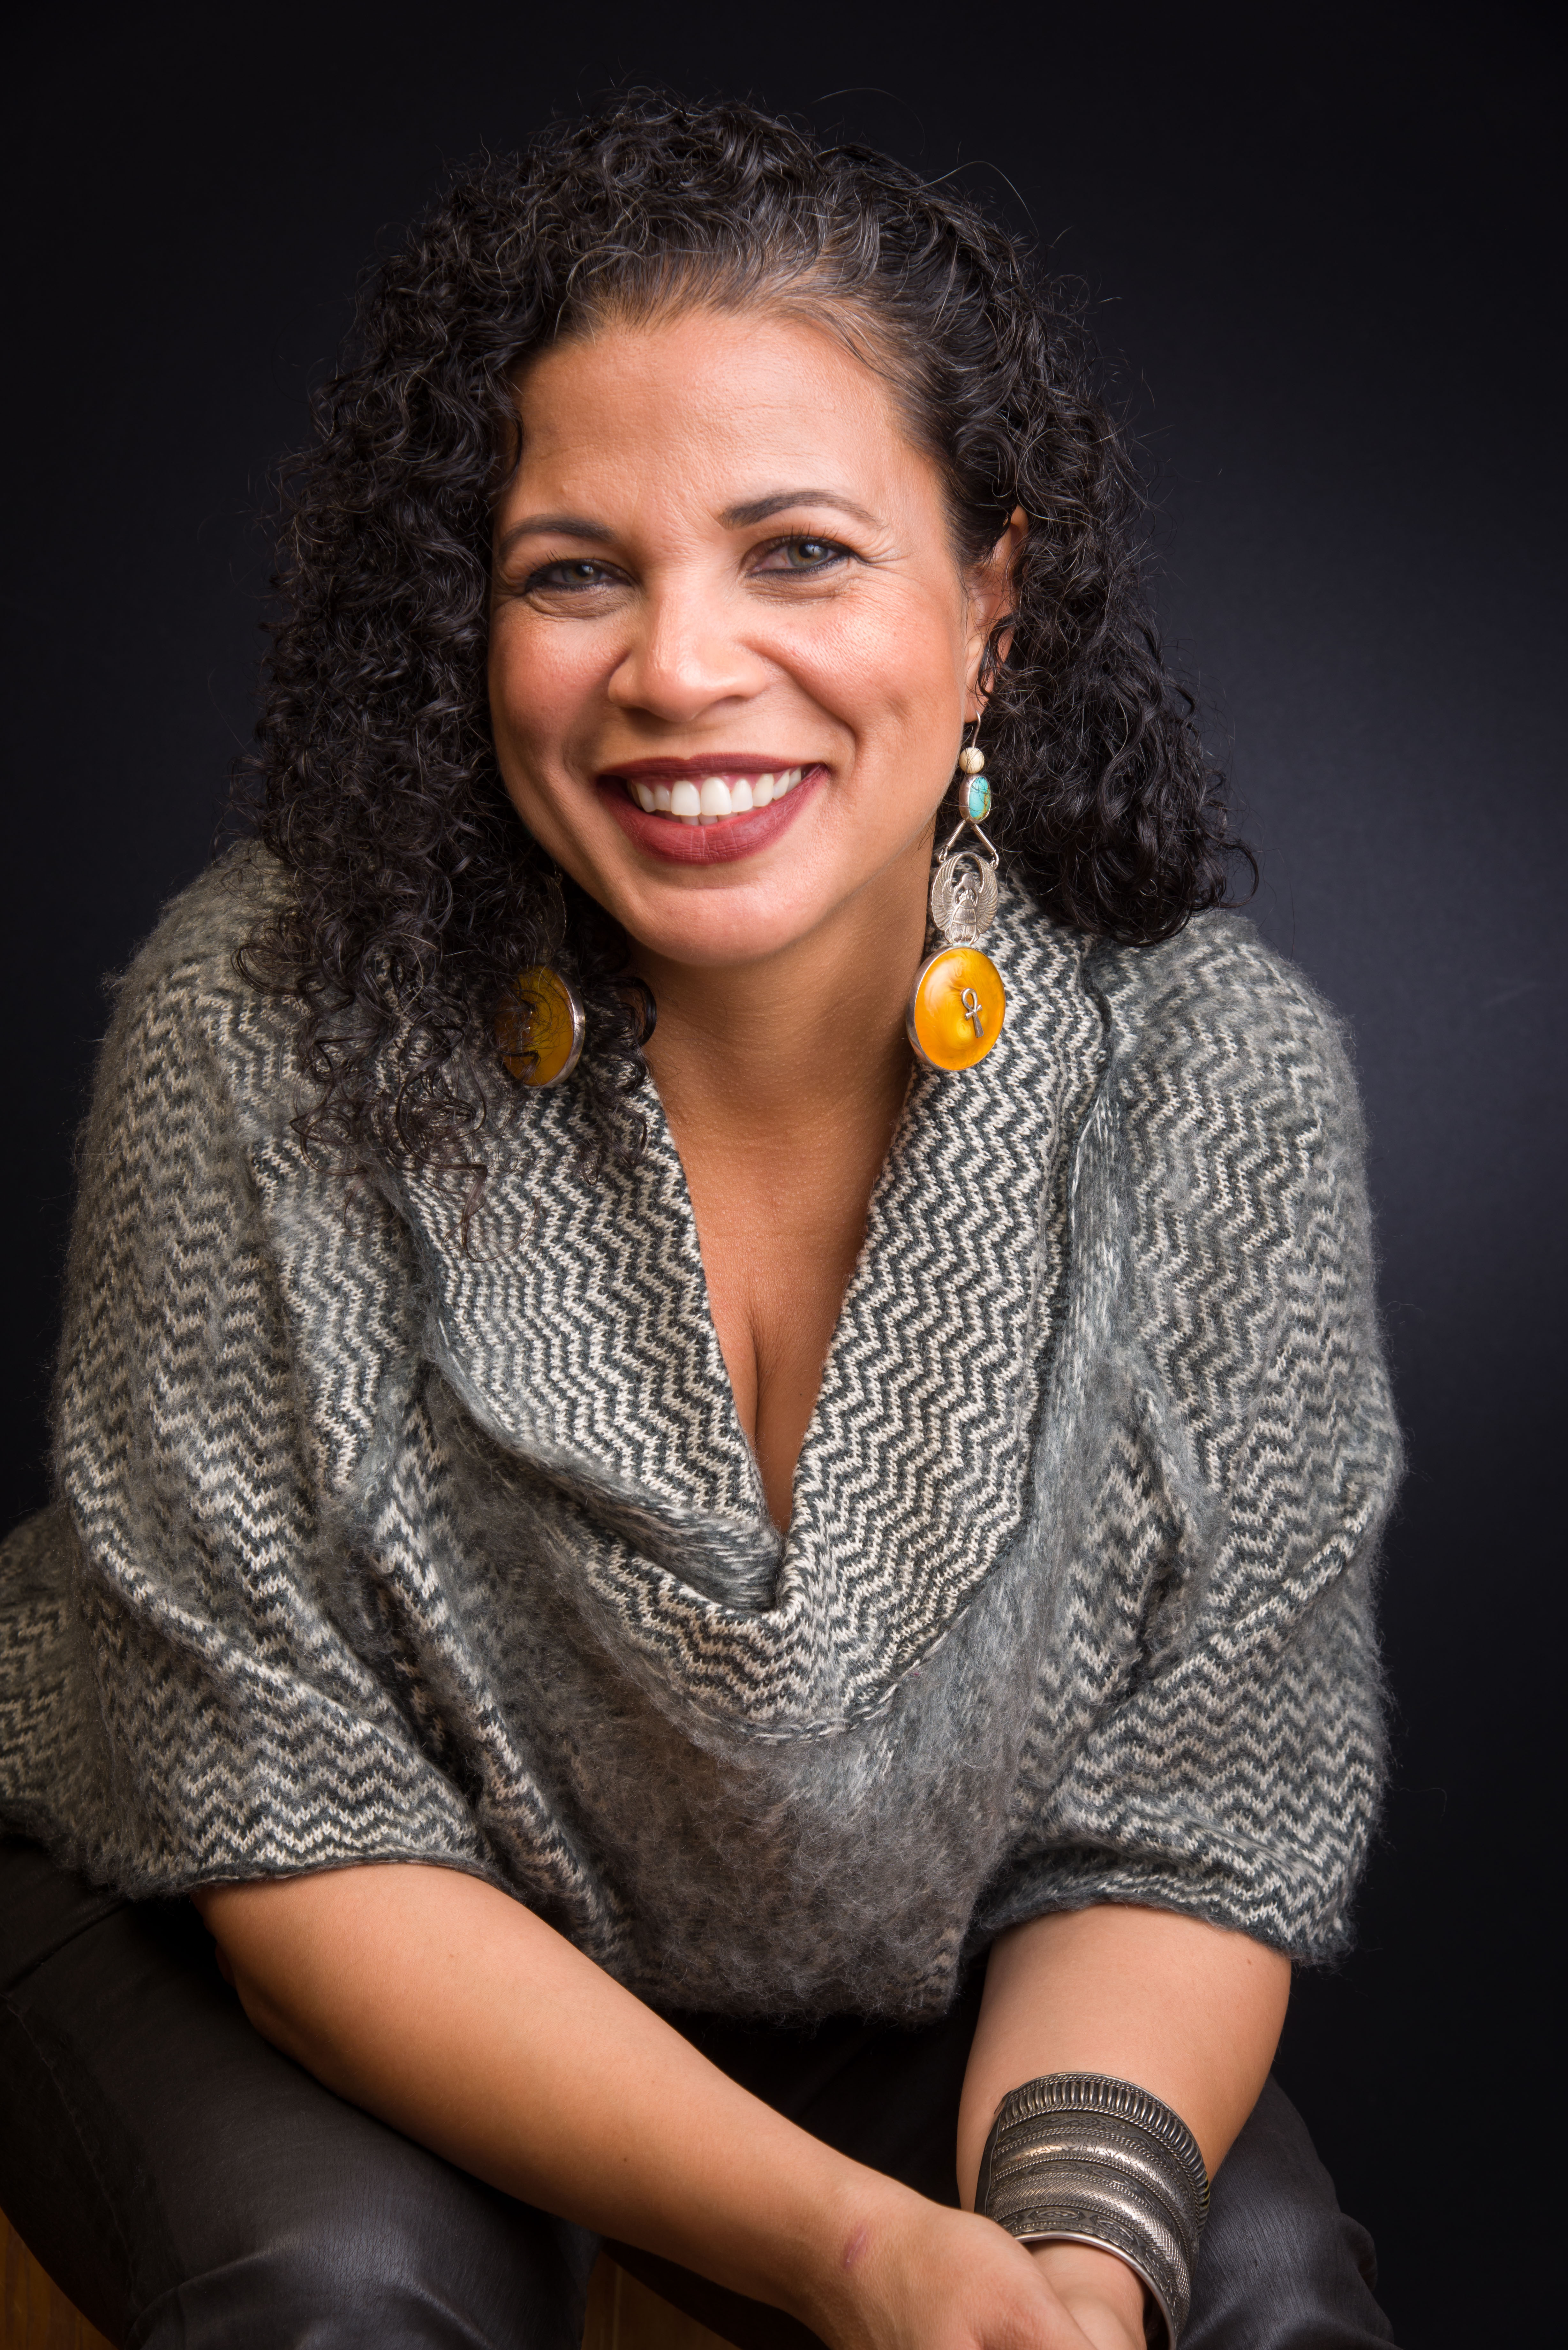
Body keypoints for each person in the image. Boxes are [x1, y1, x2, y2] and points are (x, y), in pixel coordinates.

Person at [0, 96, 1402, 2350]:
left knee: (1246, 2289)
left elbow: (1196, 1799)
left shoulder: (1211, 1074)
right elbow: (285, 1809)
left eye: (800, 553)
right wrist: (853, 2250)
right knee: (348, 2288)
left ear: (991, 605)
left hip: (889, 1946)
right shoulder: (254, 1020)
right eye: (576, 572)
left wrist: (1067, 2258)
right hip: (257, 1886)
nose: (676, 670)